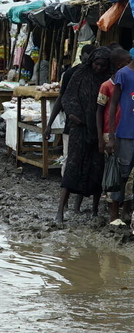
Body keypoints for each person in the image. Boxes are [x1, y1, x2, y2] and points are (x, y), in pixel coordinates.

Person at [56, 47, 113, 224]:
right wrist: (73, 114)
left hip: (98, 130)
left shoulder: (108, 79)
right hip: (79, 128)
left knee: (97, 168)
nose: (99, 68)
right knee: (73, 166)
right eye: (97, 64)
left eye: (103, 65)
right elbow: (68, 96)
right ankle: (60, 211)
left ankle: (95, 209)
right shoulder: (80, 74)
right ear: (91, 62)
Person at [45, 44, 97, 214]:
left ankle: (77, 206)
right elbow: (62, 98)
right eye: (88, 59)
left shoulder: (99, 77)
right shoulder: (71, 74)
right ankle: (64, 204)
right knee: (71, 164)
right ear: (82, 57)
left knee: (87, 165)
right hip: (73, 128)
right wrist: (49, 125)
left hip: (91, 129)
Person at [97, 48, 131, 223]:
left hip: (126, 132)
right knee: (118, 172)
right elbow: (107, 108)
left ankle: (124, 210)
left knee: (127, 174)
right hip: (119, 132)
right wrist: (109, 136)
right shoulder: (116, 80)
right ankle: (113, 211)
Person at [105, 47, 134, 224]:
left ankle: (127, 212)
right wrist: (112, 135)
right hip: (125, 132)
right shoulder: (123, 74)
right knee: (121, 174)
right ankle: (114, 214)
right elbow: (113, 104)